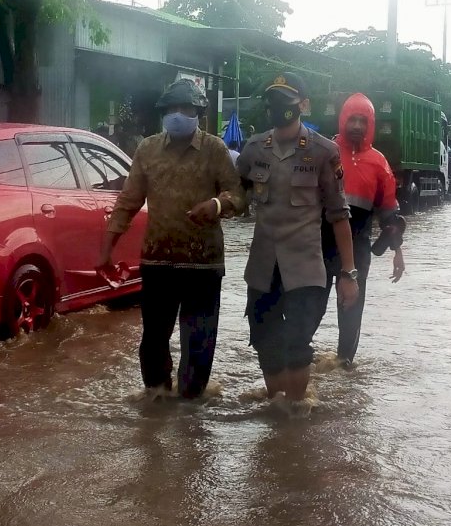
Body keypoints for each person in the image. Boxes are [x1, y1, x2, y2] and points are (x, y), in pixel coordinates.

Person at [96, 79, 245, 399]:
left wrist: (216, 205)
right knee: (153, 340)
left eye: (185, 109)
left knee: (200, 341)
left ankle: (191, 411)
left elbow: (238, 195)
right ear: (163, 113)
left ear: (199, 114)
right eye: (172, 109)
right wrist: (106, 249)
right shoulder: (147, 149)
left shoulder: (215, 149)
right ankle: (156, 403)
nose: (178, 114)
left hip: (202, 263)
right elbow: (128, 201)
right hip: (158, 259)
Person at [236, 72, 359, 402]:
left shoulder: (323, 152)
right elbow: (235, 195)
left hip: (304, 268)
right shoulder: (253, 149)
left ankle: (294, 413)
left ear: (303, 105)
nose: (278, 108)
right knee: (263, 338)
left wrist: (348, 274)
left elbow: (339, 215)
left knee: (296, 342)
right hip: (263, 267)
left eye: (286, 102)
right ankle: (278, 409)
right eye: (273, 101)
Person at [320, 93, 407, 369]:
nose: (356, 126)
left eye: (363, 120)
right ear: (343, 120)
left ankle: (344, 364)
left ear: (370, 124)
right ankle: (301, 363)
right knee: (311, 306)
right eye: (352, 119)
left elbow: (389, 213)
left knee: (351, 310)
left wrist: (397, 252)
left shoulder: (379, 163)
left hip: (357, 246)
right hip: (319, 242)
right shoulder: (326, 153)